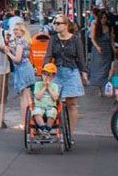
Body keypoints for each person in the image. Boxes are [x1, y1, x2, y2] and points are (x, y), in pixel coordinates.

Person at [42, 15, 88, 144]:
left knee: (72, 104)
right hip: (56, 72)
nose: (55, 25)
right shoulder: (53, 39)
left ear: (66, 25)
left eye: (58, 23)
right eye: (54, 23)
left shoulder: (76, 39)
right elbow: (48, 56)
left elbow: (80, 57)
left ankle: (70, 134)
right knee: (55, 102)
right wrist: (45, 71)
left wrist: (84, 72)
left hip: (71, 72)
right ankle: (59, 129)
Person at [7, 22, 36, 117]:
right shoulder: (26, 40)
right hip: (28, 68)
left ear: (22, 31)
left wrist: (8, 53)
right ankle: (30, 120)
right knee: (28, 96)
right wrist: (12, 49)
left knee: (24, 97)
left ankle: (25, 121)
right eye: (14, 29)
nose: (14, 31)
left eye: (16, 29)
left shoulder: (20, 42)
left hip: (22, 69)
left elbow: (17, 59)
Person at [87, 9, 113, 96]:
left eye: (105, 18)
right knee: (98, 69)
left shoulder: (109, 27)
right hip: (98, 49)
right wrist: (98, 47)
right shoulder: (95, 25)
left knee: (106, 69)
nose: (103, 20)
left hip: (107, 49)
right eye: (102, 18)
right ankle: (100, 89)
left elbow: (112, 40)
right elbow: (92, 38)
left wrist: (114, 49)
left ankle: (105, 87)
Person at [30, 63, 61, 132]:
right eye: (44, 74)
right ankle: (43, 129)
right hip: (39, 106)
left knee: (52, 114)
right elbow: (37, 97)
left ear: (53, 77)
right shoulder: (38, 84)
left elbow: (55, 98)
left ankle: (48, 129)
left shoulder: (55, 86)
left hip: (51, 106)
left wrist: (49, 88)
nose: (46, 77)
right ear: (42, 74)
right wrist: (44, 87)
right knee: (36, 113)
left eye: (49, 75)